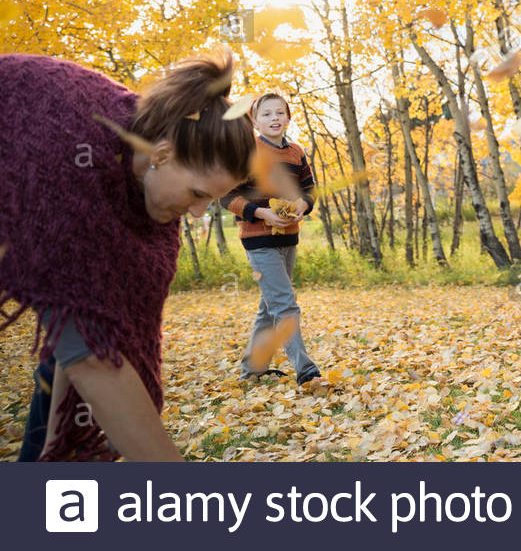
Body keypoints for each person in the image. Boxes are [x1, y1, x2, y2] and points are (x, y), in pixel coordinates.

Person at [0, 50, 255, 461]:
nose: (195, 213)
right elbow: (94, 360)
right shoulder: (69, 161)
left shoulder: (147, 196)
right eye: (197, 194)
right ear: (163, 155)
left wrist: (58, 446)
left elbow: (93, 322)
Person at [220, 92, 321, 385]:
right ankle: (305, 369)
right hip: (257, 239)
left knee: (270, 306)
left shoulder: (296, 152)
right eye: (266, 114)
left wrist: (303, 204)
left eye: (280, 113)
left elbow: (309, 189)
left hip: (289, 237)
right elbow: (226, 196)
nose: (274, 118)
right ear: (254, 120)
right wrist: (262, 213)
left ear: (288, 118)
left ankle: (252, 368)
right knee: (286, 304)